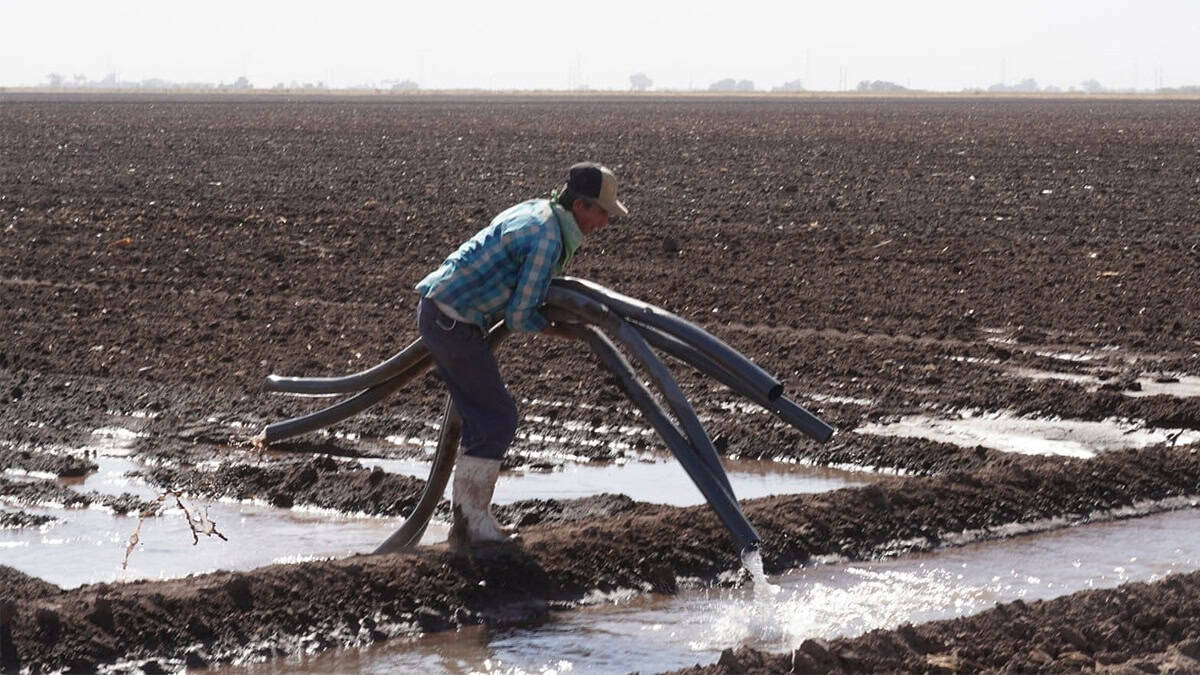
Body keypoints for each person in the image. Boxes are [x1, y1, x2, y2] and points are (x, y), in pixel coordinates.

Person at [414, 162, 628, 548]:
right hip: (452, 321)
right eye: (602, 212)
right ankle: (470, 525)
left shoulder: (540, 212)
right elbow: (519, 315)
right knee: (496, 418)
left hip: (448, 312)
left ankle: (469, 522)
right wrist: (568, 332)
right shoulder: (547, 239)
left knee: (486, 416)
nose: (605, 222)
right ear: (580, 206)